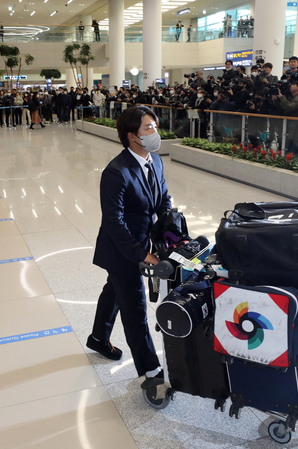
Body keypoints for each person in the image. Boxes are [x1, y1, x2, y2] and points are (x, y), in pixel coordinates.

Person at [89, 105, 171, 387]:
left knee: (114, 291)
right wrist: (143, 255)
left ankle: (98, 338)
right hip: (120, 249)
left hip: (142, 242)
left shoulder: (155, 161)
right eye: (148, 128)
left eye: (154, 126)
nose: (154, 133)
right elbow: (114, 222)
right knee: (134, 308)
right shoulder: (116, 172)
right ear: (131, 136)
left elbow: (163, 201)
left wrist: (172, 235)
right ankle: (150, 372)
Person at [273, 81, 298, 154]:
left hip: (295, 126)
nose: (291, 86)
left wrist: (281, 96)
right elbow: (282, 107)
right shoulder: (291, 97)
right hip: (288, 125)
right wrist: (276, 99)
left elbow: (289, 107)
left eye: (294, 85)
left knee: (292, 146)